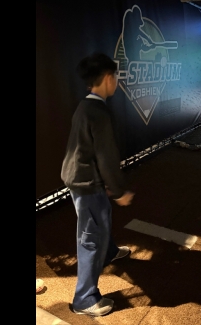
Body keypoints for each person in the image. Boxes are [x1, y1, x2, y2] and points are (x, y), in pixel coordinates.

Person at [60, 52, 136, 317]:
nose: (117, 81)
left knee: (101, 218)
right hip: (86, 183)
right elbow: (106, 156)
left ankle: (110, 252)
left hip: (82, 177)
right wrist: (119, 191)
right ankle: (84, 299)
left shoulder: (85, 106)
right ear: (107, 78)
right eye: (115, 76)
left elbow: (90, 150)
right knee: (91, 237)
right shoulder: (99, 112)